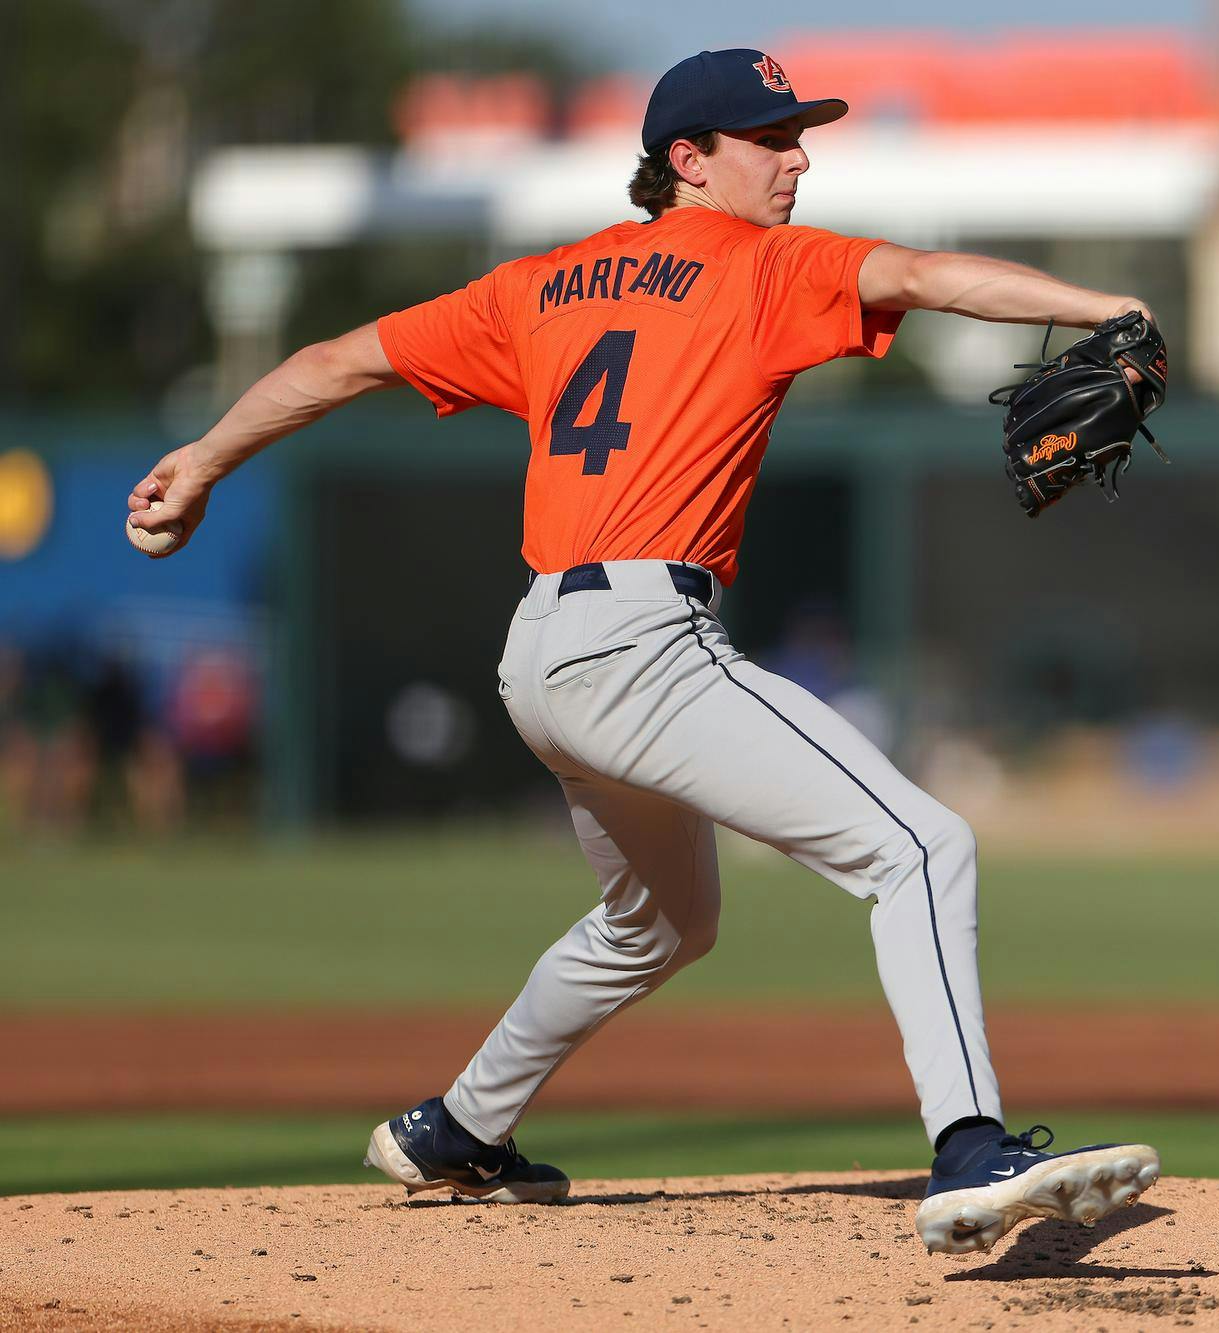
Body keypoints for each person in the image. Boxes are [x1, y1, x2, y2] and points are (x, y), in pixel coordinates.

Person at [127, 48, 1160, 1255]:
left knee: (658, 921)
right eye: (769, 139)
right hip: (640, 640)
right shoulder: (763, 264)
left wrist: (200, 458)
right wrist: (1109, 312)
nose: (797, 157)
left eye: (798, 135)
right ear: (688, 160)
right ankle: (970, 1148)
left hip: (542, 656)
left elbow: (331, 364)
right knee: (923, 848)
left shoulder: (541, 287)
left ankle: (457, 1127)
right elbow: (929, 275)